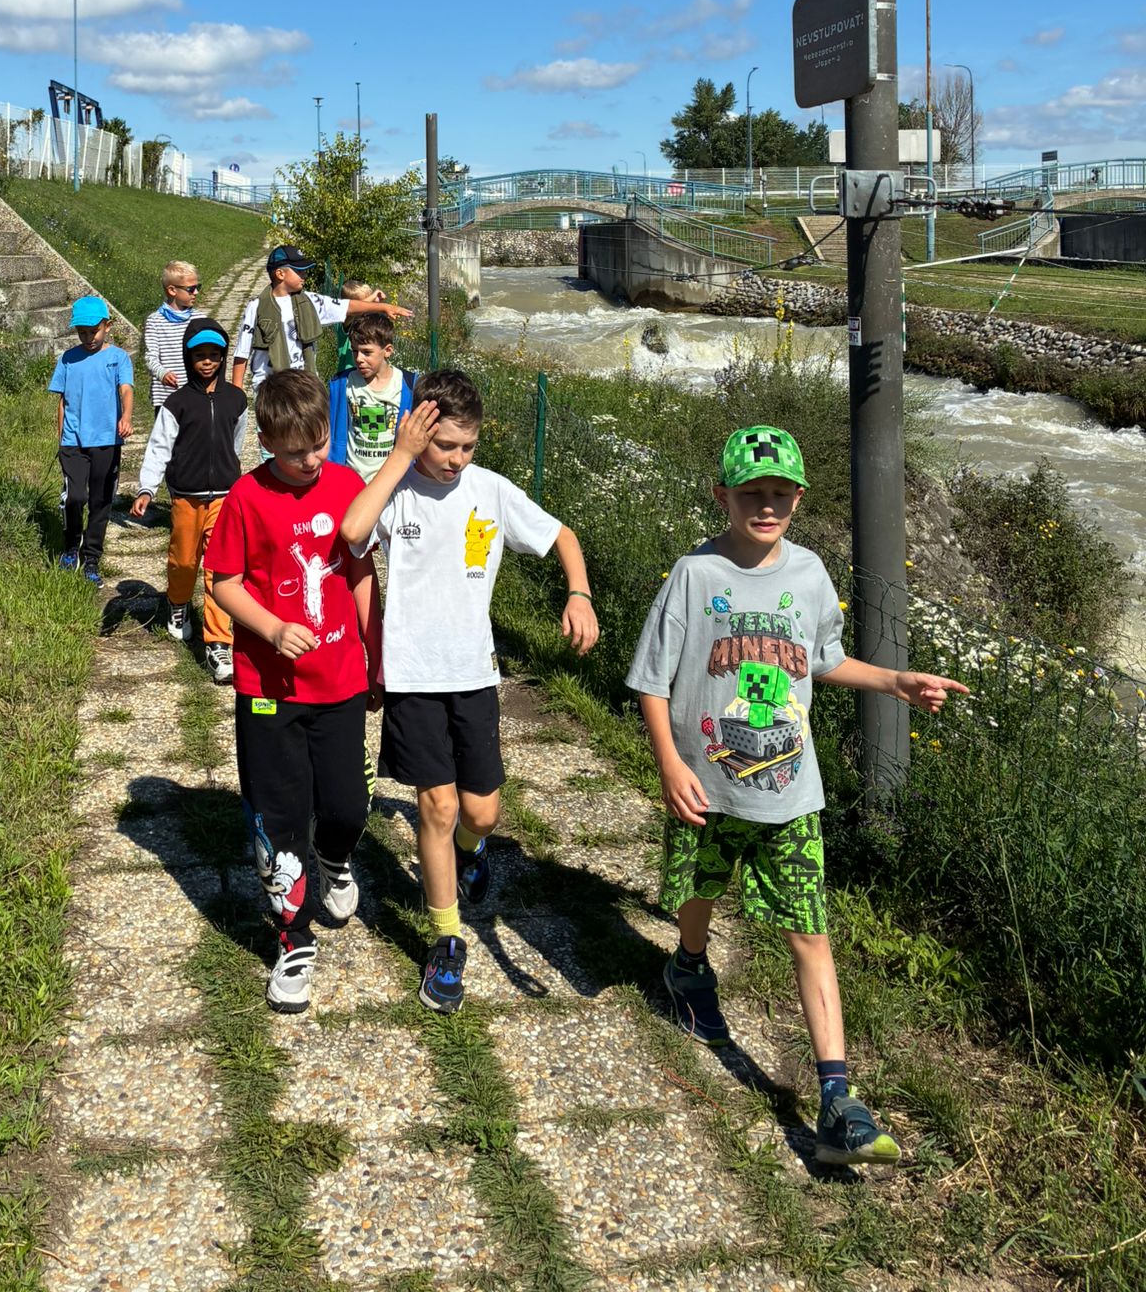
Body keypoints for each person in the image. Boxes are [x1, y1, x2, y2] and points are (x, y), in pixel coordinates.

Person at [625, 424, 968, 1167]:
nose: (767, 506)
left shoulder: (810, 574)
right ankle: (688, 966)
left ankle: (837, 1098)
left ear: (800, 499)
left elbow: (824, 659)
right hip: (707, 783)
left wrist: (894, 681)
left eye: (781, 494)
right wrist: (669, 764)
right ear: (722, 495)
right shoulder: (695, 574)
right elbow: (651, 678)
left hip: (791, 794)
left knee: (811, 934)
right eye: (752, 493)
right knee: (699, 890)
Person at [339, 372, 597, 1013]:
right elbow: (351, 533)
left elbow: (563, 537)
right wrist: (400, 455)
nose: (456, 459)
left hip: (475, 676)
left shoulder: (490, 491)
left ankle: (469, 852)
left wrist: (579, 593)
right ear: (418, 431)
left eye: (467, 446)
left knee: (480, 813)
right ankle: (446, 940)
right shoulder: (397, 490)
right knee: (438, 805)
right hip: (413, 678)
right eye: (445, 445)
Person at [207, 369, 380, 1013]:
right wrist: (273, 629)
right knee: (279, 818)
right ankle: (293, 938)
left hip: (340, 678)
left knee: (347, 807)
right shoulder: (246, 497)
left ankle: (334, 856)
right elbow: (224, 582)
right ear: (266, 442)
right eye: (294, 452)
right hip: (269, 688)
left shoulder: (346, 485)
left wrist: (376, 651)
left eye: (319, 445)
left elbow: (360, 574)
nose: (309, 461)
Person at [130, 318, 247, 684]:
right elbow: (159, 448)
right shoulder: (177, 403)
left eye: (214, 354)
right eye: (199, 355)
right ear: (187, 357)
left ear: (223, 357)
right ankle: (178, 603)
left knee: (219, 569)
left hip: (225, 498)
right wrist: (147, 488)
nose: (207, 361)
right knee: (184, 561)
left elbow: (237, 442)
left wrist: (233, 476)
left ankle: (219, 643)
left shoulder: (236, 400)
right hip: (186, 498)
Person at [229, 245, 411, 393]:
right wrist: (237, 393)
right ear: (280, 274)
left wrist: (384, 307)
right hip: (269, 387)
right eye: (299, 271)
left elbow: (347, 306)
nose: (304, 275)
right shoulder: (257, 307)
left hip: (304, 384)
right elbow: (242, 351)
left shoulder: (311, 301)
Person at [49, 294, 133, 584]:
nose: (88, 338)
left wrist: (126, 417)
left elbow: (126, 390)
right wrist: (61, 439)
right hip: (73, 441)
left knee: (100, 500)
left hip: (106, 440)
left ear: (107, 326)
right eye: (82, 332)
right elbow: (62, 401)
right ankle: (71, 545)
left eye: (93, 331)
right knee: (76, 496)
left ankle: (92, 557)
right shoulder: (68, 359)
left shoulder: (118, 358)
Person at [327, 311, 415, 484]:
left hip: (391, 483)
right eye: (354, 351)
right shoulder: (342, 384)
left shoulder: (408, 385)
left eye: (367, 352)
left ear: (387, 351)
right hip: (350, 481)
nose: (359, 359)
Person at [142, 260, 203, 411]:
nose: (196, 292)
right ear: (172, 290)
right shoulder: (155, 321)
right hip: (166, 397)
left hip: (195, 393)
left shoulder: (200, 319)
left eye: (198, 287)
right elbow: (150, 357)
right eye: (191, 289)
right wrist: (162, 373)